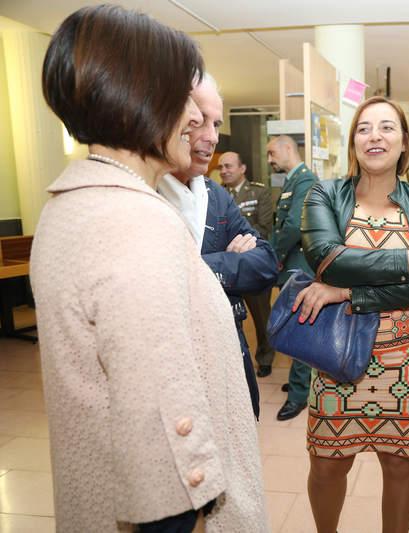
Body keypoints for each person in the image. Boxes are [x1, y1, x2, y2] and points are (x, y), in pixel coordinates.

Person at [32, 5, 269, 531]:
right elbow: (164, 432)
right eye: (185, 99)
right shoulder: (132, 220)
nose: (196, 120)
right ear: (144, 98)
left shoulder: (76, 202)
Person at [297, 96, 409, 533]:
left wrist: (349, 293)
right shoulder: (324, 195)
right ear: (353, 141)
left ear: (404, 142)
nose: (375, 136)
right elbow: (329, 259)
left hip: (406, 362)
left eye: (387, 127)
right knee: (328, 464)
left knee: (401, 465)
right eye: (364, 128)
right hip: (337, 359)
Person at [158, 81, 278, 420]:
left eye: (217, 124)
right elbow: (154, 280)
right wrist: (228, 261)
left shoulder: (215, 196)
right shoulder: (143, 196)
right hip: (170, 368)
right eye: (198, 122)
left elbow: (266, 262)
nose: (211, 137)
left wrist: (192, 268)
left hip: (227, 355)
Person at [265, 135, 318, 420]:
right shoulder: (293, 180)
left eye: (272, 152)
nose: (270, 159)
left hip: (299, 266)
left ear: (288, 148)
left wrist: (272, 254)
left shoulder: (305, 181)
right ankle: (302, 380)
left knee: (299, 327)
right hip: (292, 264)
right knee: (296, 323)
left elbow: (294, 226)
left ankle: (298, 394)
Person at [218, 151, 277, 378]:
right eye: (221, 167)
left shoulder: (259, 192)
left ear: (242, 168)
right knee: (228, 317)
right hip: (225, 267)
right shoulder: (215, 194)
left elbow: (264, 227)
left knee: (262, 317)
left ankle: (265, 358)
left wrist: (237, 243)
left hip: (251, 266)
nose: (224, 171)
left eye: (229, 166)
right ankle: (235, 362)